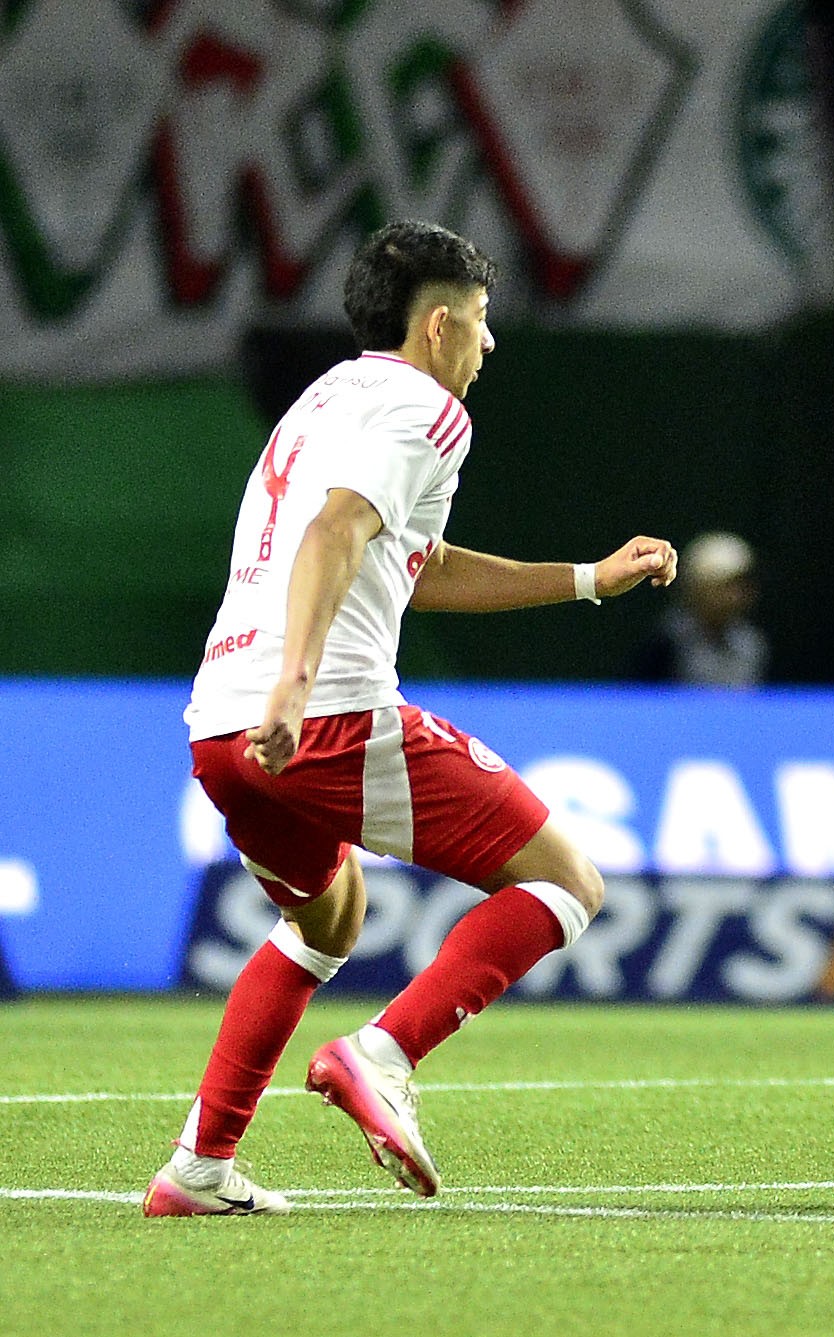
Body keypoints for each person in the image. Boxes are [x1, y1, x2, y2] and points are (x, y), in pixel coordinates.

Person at [143, 221, 676, 1217]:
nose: (486, 344)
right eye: (478, 323)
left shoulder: (325, 402)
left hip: (220, 724)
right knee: (569, 880)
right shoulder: (428, 410)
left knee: (327, 915)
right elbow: (339, 529)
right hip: (322, 711)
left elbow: (407, 562)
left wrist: (586, 580)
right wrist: (298, 684)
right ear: (437, 325)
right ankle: (379, 1052)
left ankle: (199, 1169)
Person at [634, 530, 769, 686]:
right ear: (697, 588)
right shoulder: (665, 644)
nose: (734, 597)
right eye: (724, 587)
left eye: (741, 586)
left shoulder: (752, 645)